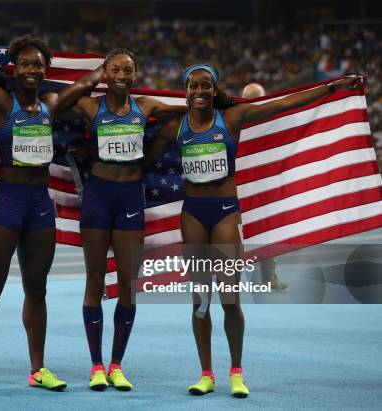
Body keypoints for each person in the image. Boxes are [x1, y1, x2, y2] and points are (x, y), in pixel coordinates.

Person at [145, 64, 362, 398]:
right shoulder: (174, 127)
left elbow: (285, 104)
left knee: (229, 298)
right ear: (185, 91)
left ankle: (236, 372)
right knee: (200, 301)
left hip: (224, 214)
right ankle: (206, 374)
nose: (200, 91)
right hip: (193, 215)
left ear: (214, 89)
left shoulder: (231, 118)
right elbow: (140, 163)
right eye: (193, 86)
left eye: (206, 86)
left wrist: (333, 87)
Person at [0, 35, 104, 394]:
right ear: (15, 69)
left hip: (40, 206)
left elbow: (82, 87)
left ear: (46, 70)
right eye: (27, 64)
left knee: (37, 289)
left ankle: (38, 369)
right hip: (8, 204)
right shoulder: (1, 101)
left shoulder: (49, 104)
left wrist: (106, 69)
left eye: (39, 64)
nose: (33, 69)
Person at [64, 49, 186, 391]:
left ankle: (117, 364)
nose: (121, 74)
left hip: (130, 198)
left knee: (129, 287)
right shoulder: (92, 106)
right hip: (98, 198)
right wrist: (92, 77)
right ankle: (97, 365)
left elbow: (194, 109)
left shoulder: (145, 106)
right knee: (94, 283)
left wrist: (222, 100)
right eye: (114, 69)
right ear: (106, 72)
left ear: (135, 74)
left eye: (127, 70)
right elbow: (59, 104)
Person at [240, 82, 287, 291]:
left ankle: (269, 277)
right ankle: (235, 280)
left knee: (267, 232)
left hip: (264, 185)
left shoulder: (273, 120)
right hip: (241, 185)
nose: (253, 104)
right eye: (249, 99)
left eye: (256, 99)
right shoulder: (236, 118)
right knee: (237, 233)